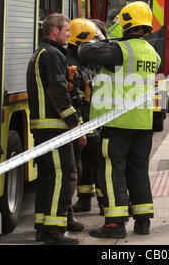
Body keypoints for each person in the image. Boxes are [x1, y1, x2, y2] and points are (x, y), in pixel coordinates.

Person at [78, 1, 161, 238]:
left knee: (111, 171)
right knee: (138, 171)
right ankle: (143, 220)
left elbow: (84, 51)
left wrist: (104, 36)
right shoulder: (152, 53)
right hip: (143, 124)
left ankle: (114, 224)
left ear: (126, 23)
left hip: (118, 123)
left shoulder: (118, 50)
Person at [26, 13, 86, 244]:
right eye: (67, 30)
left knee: (48, 178)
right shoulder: (52, 55)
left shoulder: (42, 53)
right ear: (54, 31)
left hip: (46, 128)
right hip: (55, 129)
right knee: (63, 175)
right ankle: (54, 231)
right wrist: (76, 126)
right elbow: (59, 93)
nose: (69, 34)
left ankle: (44, 225)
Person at [66, 19, 105, 217]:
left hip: (92, 119)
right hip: (84, 120)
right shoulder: (74, 64)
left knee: (95, 161)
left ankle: (101, 200)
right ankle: (85, 199)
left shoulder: (89, 61)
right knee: (85, 163)